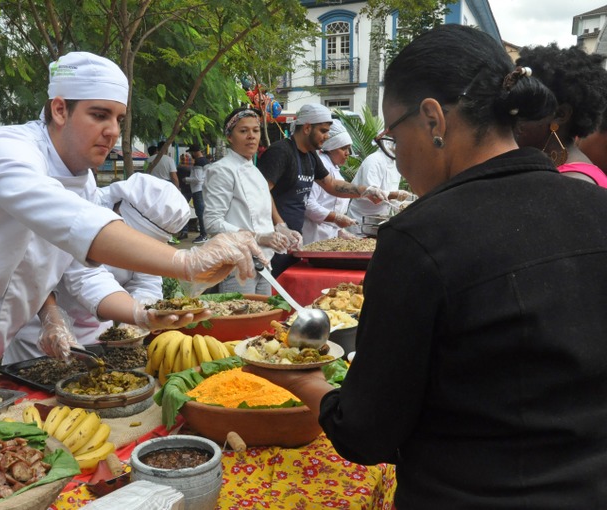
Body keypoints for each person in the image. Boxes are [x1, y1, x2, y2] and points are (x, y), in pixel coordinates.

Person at [245, 24, 607, 509]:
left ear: (433, 119)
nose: (396, 156)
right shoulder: (596, 206)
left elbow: (367, 433)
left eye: (394, 135)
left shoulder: (420, 238)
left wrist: (304, 381)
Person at [0, 51, 264, 405]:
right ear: (60, 109)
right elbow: (72, 224)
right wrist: (185, 261)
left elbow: (70, 265)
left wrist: (136, 313)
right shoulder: (4, 150)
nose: (112, 131)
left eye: (118, 118)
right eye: (99, 115)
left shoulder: (80, 179)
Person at [3, 173, 190, 363]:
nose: (130, 249)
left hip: (99, 334)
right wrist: (137, 314)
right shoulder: (83, 212)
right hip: (43, 330)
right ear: (118, 208)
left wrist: (138, 317)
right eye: (130, 236)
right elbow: (84, 277)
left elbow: (147, 279)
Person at [257, 103, 386, 276]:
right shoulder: (280, 152)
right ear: (307, 128)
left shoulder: (310, 156)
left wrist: (365, 190)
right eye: (323, 131)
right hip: (271, 239)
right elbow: (262, 191)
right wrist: (279, 225)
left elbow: (331, 185)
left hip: (292, 239)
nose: (326, 137)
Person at [204, 107, 289, 295]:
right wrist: (257, 237)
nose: (251, 136)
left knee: (265, 320)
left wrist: (281, 228)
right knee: (241, 321)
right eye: (243, 131)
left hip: (263, 261)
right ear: (229, 137)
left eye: (255, 130)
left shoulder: (256, 171)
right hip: (236, 264)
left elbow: (261, 215)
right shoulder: (222, 170)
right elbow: (212, 223)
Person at [514, 44, 607, 187]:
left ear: (560, 114)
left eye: (524, 105)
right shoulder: (559, 172)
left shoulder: (572, 184)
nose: (511, 113)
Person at [301, 119, 356, 243]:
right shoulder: (321, 166)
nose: (347, 154)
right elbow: (308, 204)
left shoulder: (334, 168)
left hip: (330, 235)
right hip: (314, 234)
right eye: (344, 149)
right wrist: (335, 218)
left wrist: (339, 231)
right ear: (331, 148)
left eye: (349, 149)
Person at [184, 144, 209, 243]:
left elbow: (198, 179)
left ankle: (203, 235)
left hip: (198, 190)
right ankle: (205, 233)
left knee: (200, 213)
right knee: (203, 213)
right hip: (203, 189)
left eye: (191, 153)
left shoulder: (198, 162)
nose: (190, 155)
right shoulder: (206, 161)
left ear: (194, 152)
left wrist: (186, 179)